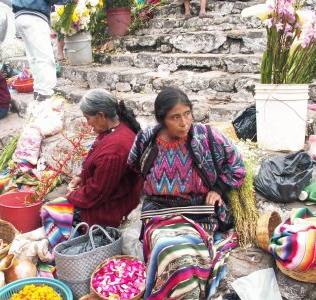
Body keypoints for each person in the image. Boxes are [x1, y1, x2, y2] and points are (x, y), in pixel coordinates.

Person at [127, 86, 246, 299]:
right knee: (167, 247)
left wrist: (219, 189)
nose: (184, 123)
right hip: (158, 213)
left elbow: (237, 165)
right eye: (175, 117)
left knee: (184, 254)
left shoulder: (206, 137)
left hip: (199, 212)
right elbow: (134, 165)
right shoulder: (146, 139)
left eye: (187, 114)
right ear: (162, 119)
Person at [66, 89, 142, 227]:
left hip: (111, 212)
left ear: (101, 115)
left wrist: (71, 196)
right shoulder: (118, 128)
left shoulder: (114, 150)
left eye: (88, 118)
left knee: (50, 211)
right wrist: (81, 177)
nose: (88, 123)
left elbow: (95, 194)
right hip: (114, 199)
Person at [11, 0, 74, 101]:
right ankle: (45, 93)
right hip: (34, 14)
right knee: (45, 58)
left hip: (20, 15)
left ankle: (39, 91)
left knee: (34, 58)